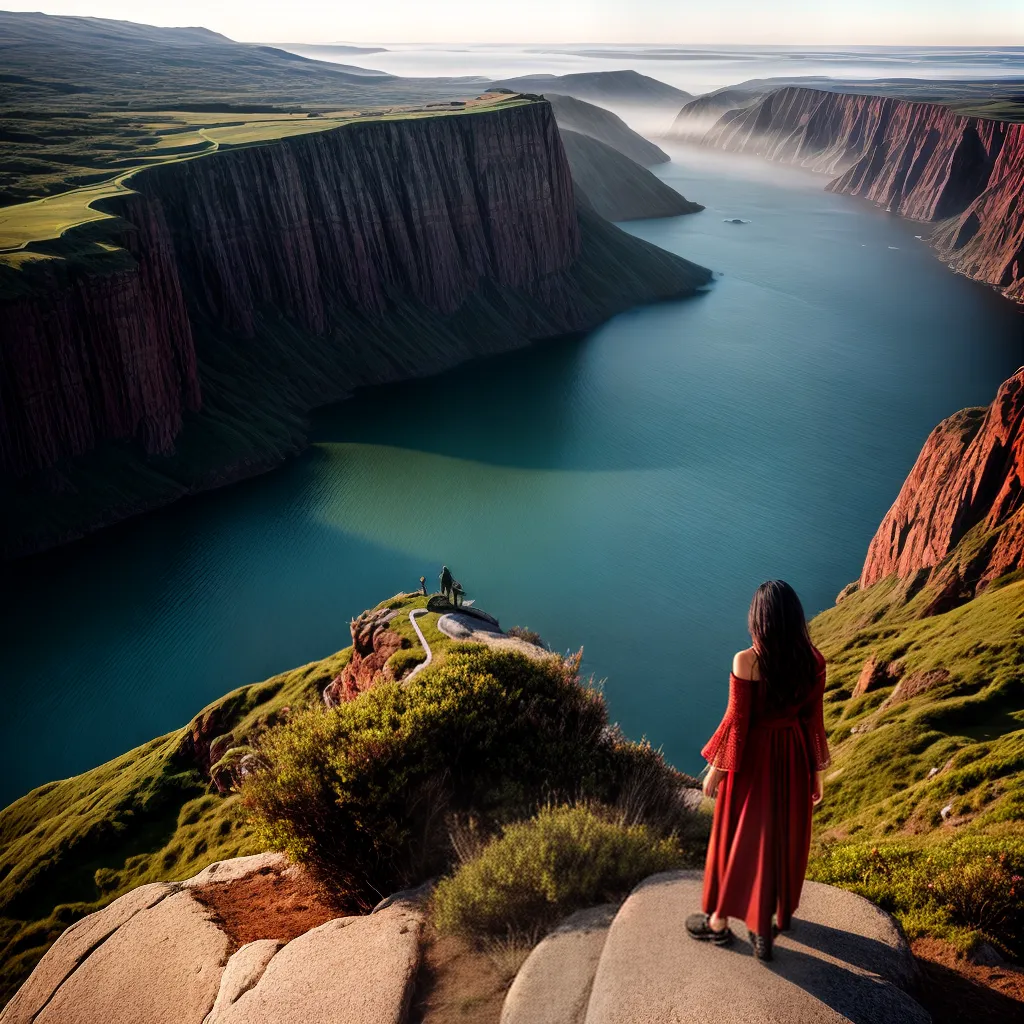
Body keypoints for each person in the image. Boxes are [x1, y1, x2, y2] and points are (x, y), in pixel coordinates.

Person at [686, 580, 829, 962]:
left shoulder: (746, 661)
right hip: (795, 758)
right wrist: (817, 773)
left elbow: (738, 721)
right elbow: (814, 719)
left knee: (740, 840)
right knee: (780, 841)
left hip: (754, 762)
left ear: (759, 620)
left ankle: (718, 923)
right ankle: (766, 925)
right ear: (796, 617)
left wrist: (715, 770)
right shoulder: (814, 661)